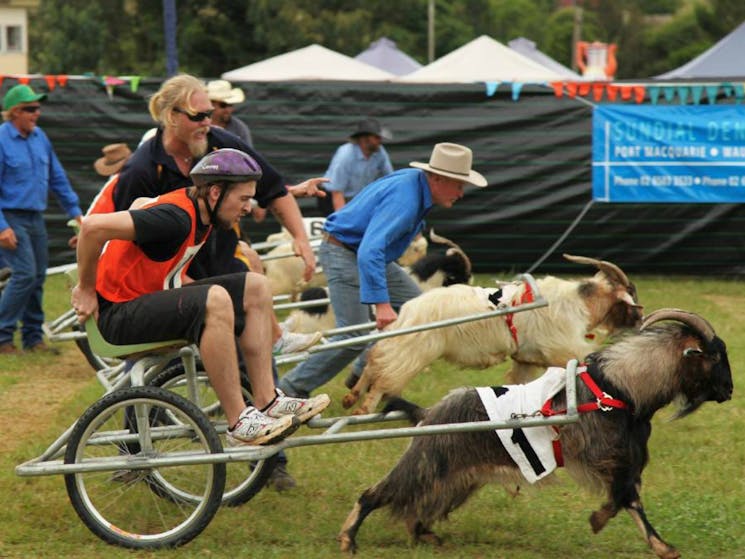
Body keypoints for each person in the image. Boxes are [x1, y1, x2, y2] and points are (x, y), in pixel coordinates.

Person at [72, 147, 330, 445]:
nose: (247, 208)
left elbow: (142, 203)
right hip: (115, 318)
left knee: (256, 285)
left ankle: (267, 399)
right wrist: (87, 288)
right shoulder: (176, 217)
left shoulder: (197, 208)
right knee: (216, 298)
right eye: (243, 199)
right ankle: (238, 421)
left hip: (138, 304)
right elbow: (92, 227)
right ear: (215, 192)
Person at [113, 73, 324, 355]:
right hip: (169, 276)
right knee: (237, 320)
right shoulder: (142, 169)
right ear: (171, 116)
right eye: (198, 116)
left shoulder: (222, 143)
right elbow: (121, 241)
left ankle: (270, 373)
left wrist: (301, 238)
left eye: (209, 114)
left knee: (252, 277)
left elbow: (273, 189)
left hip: (219, 260)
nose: (207, 123)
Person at [278, 142, 487, 398]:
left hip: (362, 253)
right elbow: (370, 251)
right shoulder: (407, 198)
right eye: (458, 184)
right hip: (346, 253)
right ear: (438, 178)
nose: (461, 193)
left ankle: (364, 369)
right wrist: (382, 304)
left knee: (419, 309)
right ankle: (287, 390)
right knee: (353, 335)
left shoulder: (415, 185)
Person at [0, 84, 83, 355]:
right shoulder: (1, 139)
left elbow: (57, 178)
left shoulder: (40, 138)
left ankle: (33, 339)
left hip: (36, 217)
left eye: (38, 108)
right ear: (14, 113)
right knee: (24, 274)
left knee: (37, 277)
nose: (37, 113)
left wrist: (75, 213)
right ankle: (2, 337)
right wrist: (2, 227)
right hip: (10, 216)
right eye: (30, 109)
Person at [318, 117, 394, 216]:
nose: (380, 141)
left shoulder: (380, 152)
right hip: (332, 198)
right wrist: (342, 220)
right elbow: (337, 192)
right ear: (364, 139)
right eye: (376, 137)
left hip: (358, 199)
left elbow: (390, 178)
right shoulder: (345, 156)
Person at [207, 80, 253, 146]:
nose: (228, 110)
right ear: (211, 105)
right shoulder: (202, 126)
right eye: (223, 105)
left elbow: (246, 154)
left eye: (231, 105)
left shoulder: (239, 128)